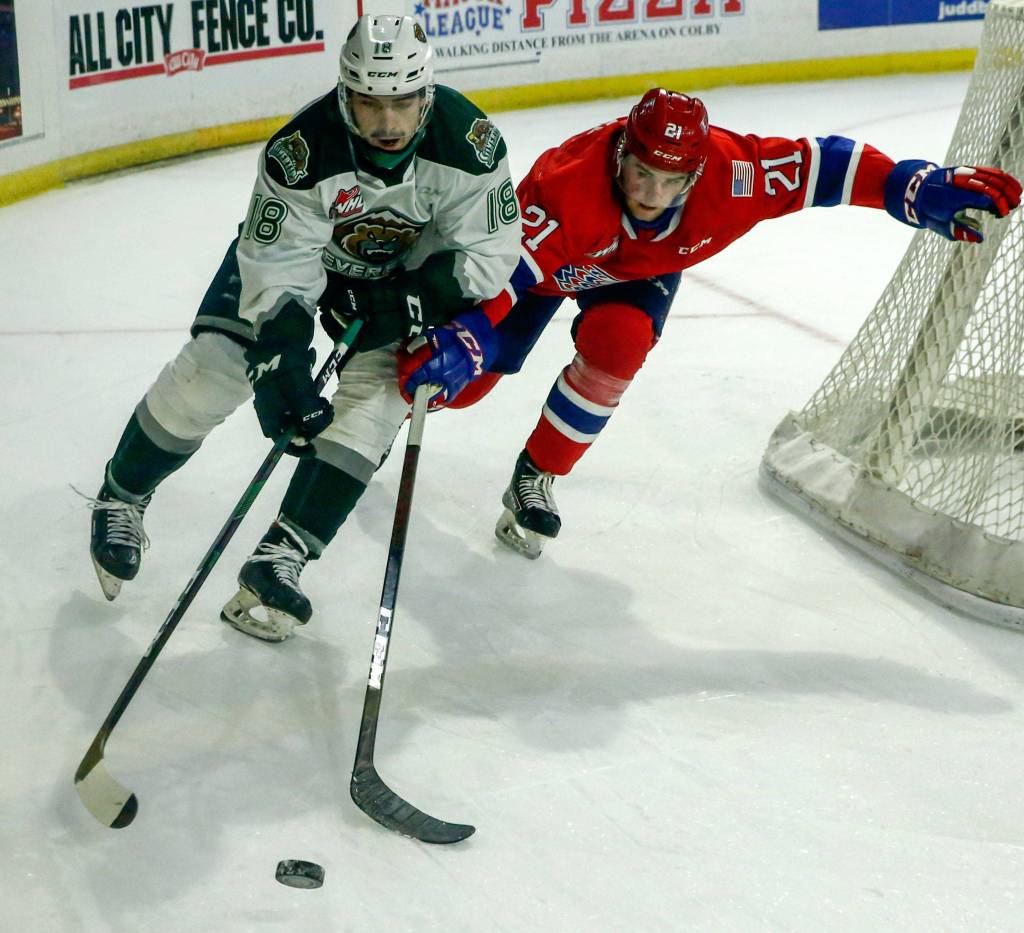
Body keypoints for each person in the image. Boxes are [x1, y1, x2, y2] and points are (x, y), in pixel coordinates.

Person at [398, 87, 1022, 558]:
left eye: (671, 181)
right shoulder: (569, 187)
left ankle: (536, 475)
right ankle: (376, 418)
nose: (649, 193)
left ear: (696, 173)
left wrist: (907, 186)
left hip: (636, 275)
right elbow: (507, 277)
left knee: (619, 349)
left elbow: (823, 164)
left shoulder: (732, 175)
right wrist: (472, 334)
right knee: (468, 380)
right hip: (545, 267)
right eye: (641, 172)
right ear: (621, 153)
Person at [87, 13, 520, 639]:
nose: (388, 123)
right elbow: (278, 268)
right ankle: (121, 494)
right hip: (299, 270)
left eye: (403, 101)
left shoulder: (468, 142)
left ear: (426, 93)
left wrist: (402, 305)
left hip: (397, 285)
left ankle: (282, 555)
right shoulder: (301, 151)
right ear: (346, 92)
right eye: (370, 102)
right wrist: (283, 363)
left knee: (377, 399)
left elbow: (491, 254)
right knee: (215, 371)